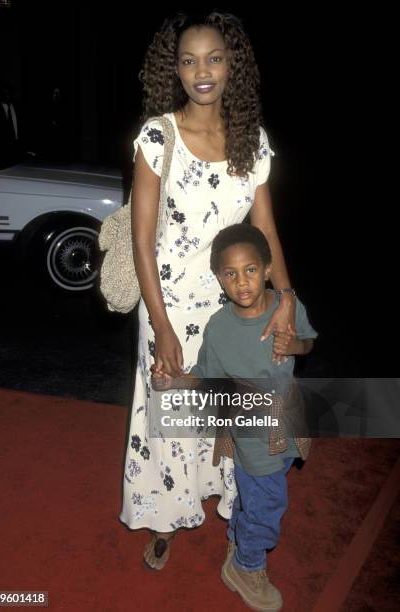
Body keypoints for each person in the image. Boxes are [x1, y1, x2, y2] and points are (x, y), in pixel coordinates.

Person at [120, 11, 298, 570]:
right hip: (168, 302)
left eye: (214, 58)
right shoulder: (158, 135)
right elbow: (142, 243)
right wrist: (163, 325)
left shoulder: (253, 141)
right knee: (172, 412)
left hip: (236, 302)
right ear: (174, 70)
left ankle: (236, 511)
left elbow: (265, 229)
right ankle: (167, 516)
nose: (203, 71)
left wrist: (286, 296)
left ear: (231, 65)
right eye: (189, 60)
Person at [152, 223, 317, 610]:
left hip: (286, 421)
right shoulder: (218, 328)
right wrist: (170, 383)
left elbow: (308, 342)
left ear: (267, 268)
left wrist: (295, 344)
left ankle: (239, 537)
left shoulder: (286, 307)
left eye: (251, 270)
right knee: (268, 502)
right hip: (251, 432)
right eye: (230, 273)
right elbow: (206, 379)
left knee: (256, 495)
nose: (242, 282)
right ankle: (246, 563)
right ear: (218, 279)